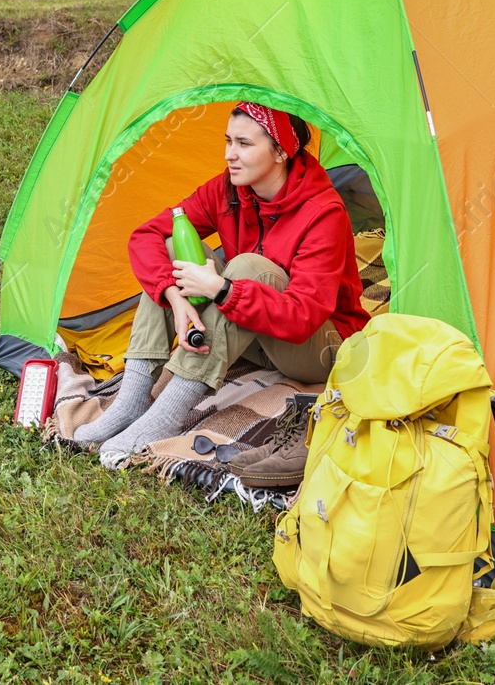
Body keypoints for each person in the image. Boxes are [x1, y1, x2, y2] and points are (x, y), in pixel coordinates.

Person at [74, 101, 370, 470]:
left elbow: (303, 317)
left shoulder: (324, 212)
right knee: (170, 248)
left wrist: (222, 290)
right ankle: (133, 399)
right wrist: (173, 295)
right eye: (228, 141)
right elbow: (147, 234)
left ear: (280, 152)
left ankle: (167, 415)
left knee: (247, 268)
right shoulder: (228, 190)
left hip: (319, 348)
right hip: (254, 335)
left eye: (244, 144)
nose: (230, 154)